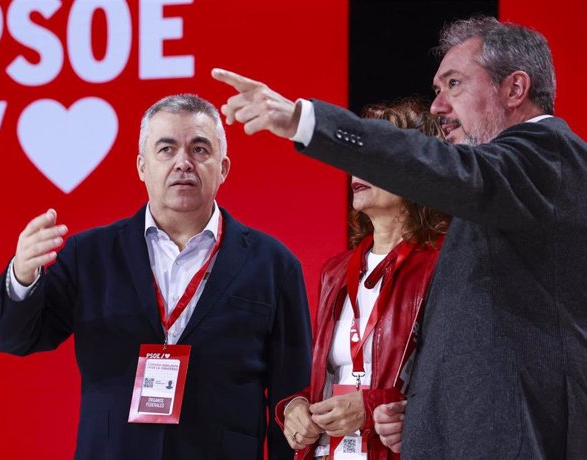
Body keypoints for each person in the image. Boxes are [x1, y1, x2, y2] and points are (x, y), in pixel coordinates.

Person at [212, 15, 587, 459]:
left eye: (454, 85)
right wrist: (414, 411)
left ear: (515, 88)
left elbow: (444, 168)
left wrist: (304, 121)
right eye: (437, 89)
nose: (439, 107)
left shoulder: (548, 156)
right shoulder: (506, 187)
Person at [0, 94, 313, 460]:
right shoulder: (89, 255)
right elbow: (15, 339)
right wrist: (23, 275)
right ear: (142, 166)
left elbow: (292, 397)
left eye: (200, 149)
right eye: (166, 149)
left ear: (223, 169)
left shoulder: (275, 264)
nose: (183, 163)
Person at [275, 100, 449, 460]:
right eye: (357, 154)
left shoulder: (442, 265)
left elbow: (452, 387)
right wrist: (296, 407)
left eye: (376, 153)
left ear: (417, 167)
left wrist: (371, 407)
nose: (358, 167)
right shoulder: (336, 270)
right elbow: (337, 375)